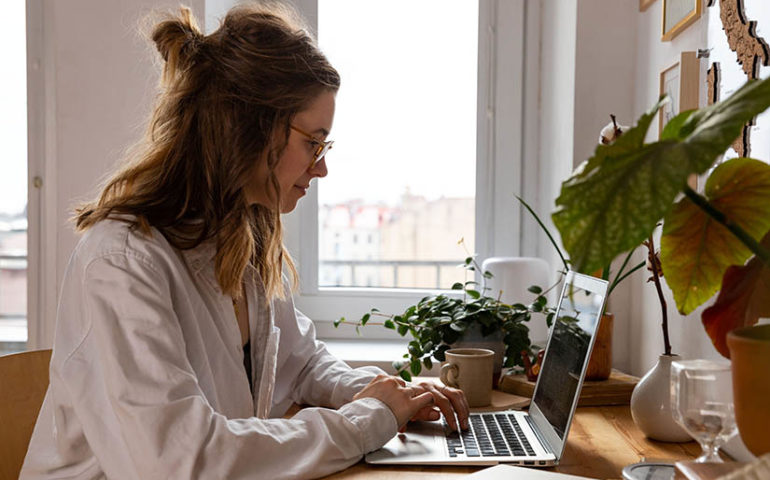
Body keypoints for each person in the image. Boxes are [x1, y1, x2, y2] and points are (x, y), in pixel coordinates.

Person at [20, 4, 469, 479]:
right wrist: (365, 421)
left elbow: (299, 361)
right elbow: (181, 461)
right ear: (250, 129)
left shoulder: (240, 235)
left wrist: (386, 393)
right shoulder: (122, 263)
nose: (321, 167)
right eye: (313, 143)